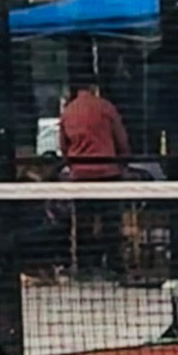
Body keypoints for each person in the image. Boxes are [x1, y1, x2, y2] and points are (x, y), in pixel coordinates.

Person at [58, 70, 131, 278]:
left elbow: (63, 145)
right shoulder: (105, 107)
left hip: (80, 174)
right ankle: (114, 265)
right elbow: (121, 138)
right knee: (111, 221)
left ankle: (85, 265)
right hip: (108, 172)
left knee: (84, 222)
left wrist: (71, 164)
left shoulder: (68, 112)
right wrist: (123, 161)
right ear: (94, 88)